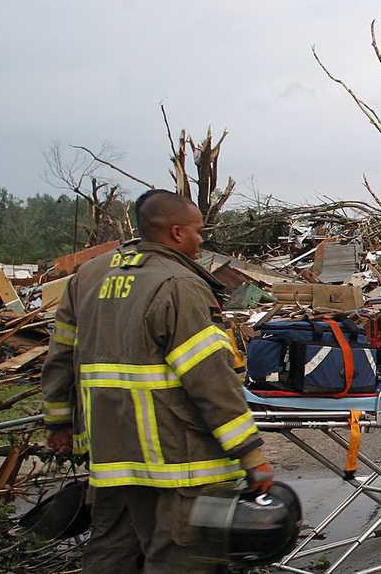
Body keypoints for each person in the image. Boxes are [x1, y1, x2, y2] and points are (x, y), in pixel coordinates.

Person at [41, 189, 273, 573]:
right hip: (176, 459)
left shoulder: (90, 275)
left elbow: (61, 356)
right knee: (181, 557)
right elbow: (210, 380)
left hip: (110, 455)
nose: (201, 241)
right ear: (177, 232)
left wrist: (59, 421)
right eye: (198, 232)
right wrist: (251, 453)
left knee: (112, 552)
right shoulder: (177, 284)